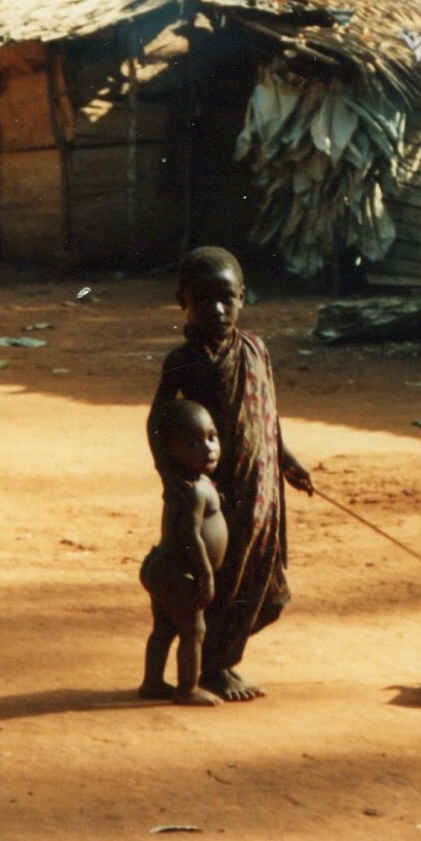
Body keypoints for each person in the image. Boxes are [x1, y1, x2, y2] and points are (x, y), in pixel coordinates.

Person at [150, 246, 312, 701]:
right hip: (217, 497)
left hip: (262, 491)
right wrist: (171, 478)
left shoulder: (256, 350)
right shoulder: (184, 359)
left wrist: (287, 459)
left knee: (264, 583)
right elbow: (158, 419)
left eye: (227, 298)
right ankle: (213, 667)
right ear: (184, 301)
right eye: (202, 300)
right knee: (218, 581)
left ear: (243, 296)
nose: (217, 310)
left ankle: (223, 661)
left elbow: (266, 416)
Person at [138, 399, 227, 707]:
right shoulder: (193, 490)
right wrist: (204, 574)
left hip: (161, 567)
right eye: (193, 443)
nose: (208, 448)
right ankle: (187, 688)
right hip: (177, 572)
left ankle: (152, 682)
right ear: (172, 451)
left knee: (164, 627)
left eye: (212, 437)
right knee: (194, 629)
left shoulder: (196, 483)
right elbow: (190, 536)